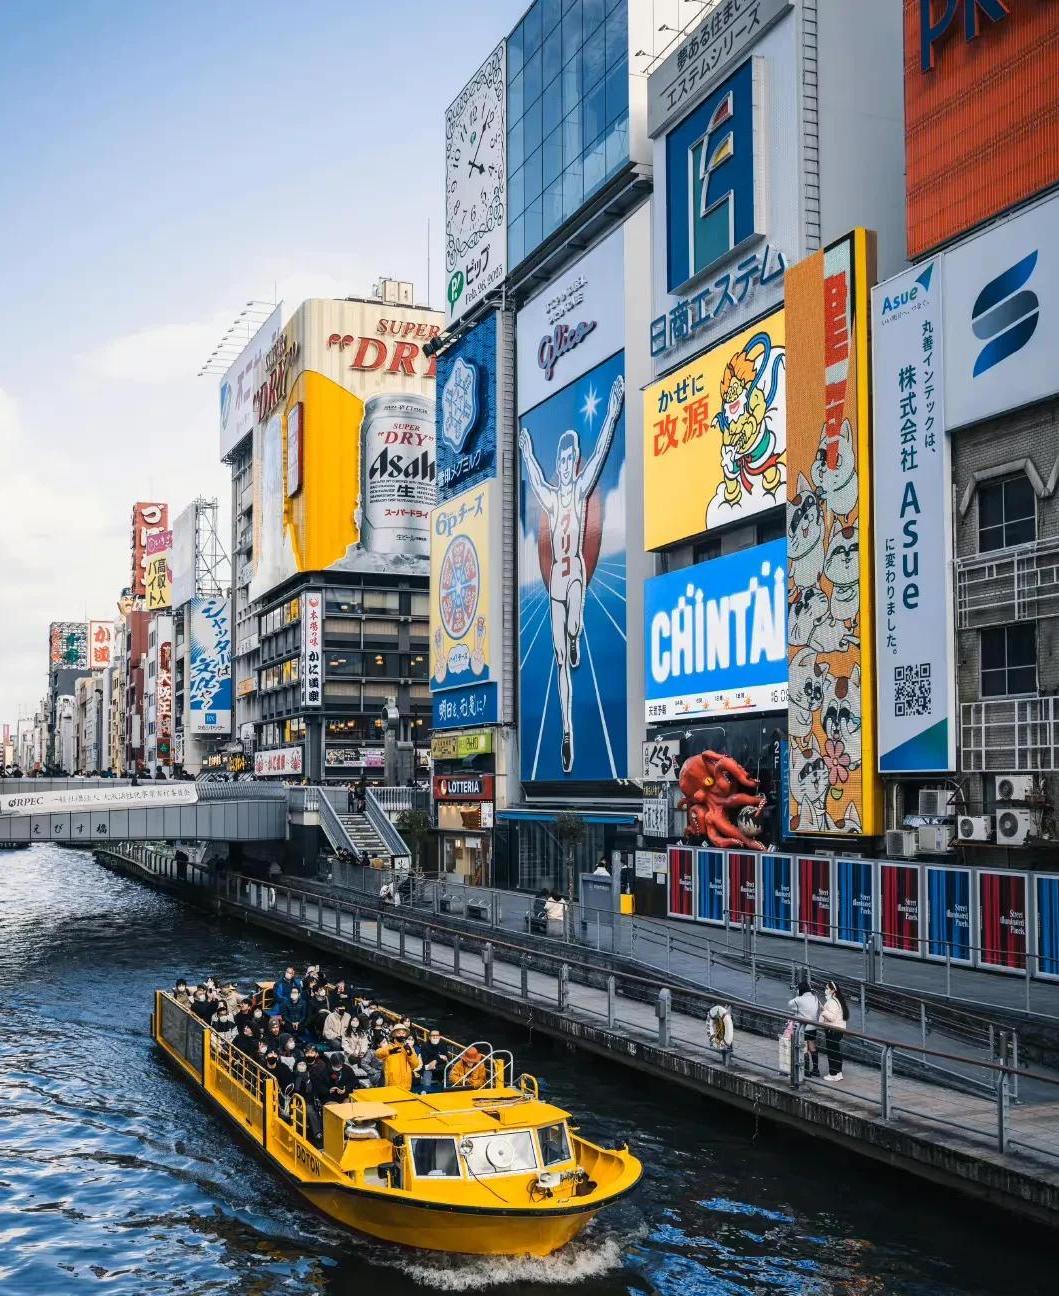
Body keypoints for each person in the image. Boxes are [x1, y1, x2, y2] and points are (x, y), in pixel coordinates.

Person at [518, 372, 625, 773]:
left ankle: (577, 633)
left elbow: (600, 454)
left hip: (575, 574)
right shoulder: (549, 497)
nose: (564, 466)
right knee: (561, 659)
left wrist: (613, 411)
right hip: (555, 589)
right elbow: (533, 474)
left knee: (574, 627)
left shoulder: (579, 492)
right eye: (560, 460)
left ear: (573, 462)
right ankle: (566, 731)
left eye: (568, 459)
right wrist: (527, 449)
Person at [788, 979, 821, 1078]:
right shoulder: (815, 998)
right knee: (812, 1046)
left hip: (802, 1027)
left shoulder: (798, 1000)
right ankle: (816, 1069)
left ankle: (806, 1070)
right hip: (813, 1026)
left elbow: (790, 1004)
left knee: (804, 1048)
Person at [375, 1026, 422, 1091]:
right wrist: (389, 1051)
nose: (401, 1035)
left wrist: (410, 1054)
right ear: (394, 1034)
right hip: (391, 1083)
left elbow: (415, 1065)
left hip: (406, 1084)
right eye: (399, 1033)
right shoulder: (389, 1046)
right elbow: (377, 1053)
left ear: (405, 1035)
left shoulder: (409, 1048)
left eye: (403, 1033)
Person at [820, 980, 849, 1082]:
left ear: (832, 990)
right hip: (838, 1029)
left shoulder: (832, 1002)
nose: (825, 990)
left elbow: (831, 1017)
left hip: (832, 1029)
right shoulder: (838, 1000)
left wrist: (823, 1011)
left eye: (827, 988)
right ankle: (838, 1073)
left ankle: (833, 1073)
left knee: (832, 1052)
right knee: (836, 1051)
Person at [418, 1028, 451, 1093]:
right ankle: (426, 1091)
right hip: (429, 1068)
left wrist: (435, 1060)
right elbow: (426, 1060)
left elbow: (446, 1057)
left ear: (439, 1036)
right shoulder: (424, 1046)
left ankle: (447, 1091)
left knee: (449, 1069)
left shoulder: (443, 1043)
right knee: (427, 1070)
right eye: (433, 1035)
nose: (435, 1037)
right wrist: (438, 1057)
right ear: (429, 1037)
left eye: (437, 1035)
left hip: (441, 1067)